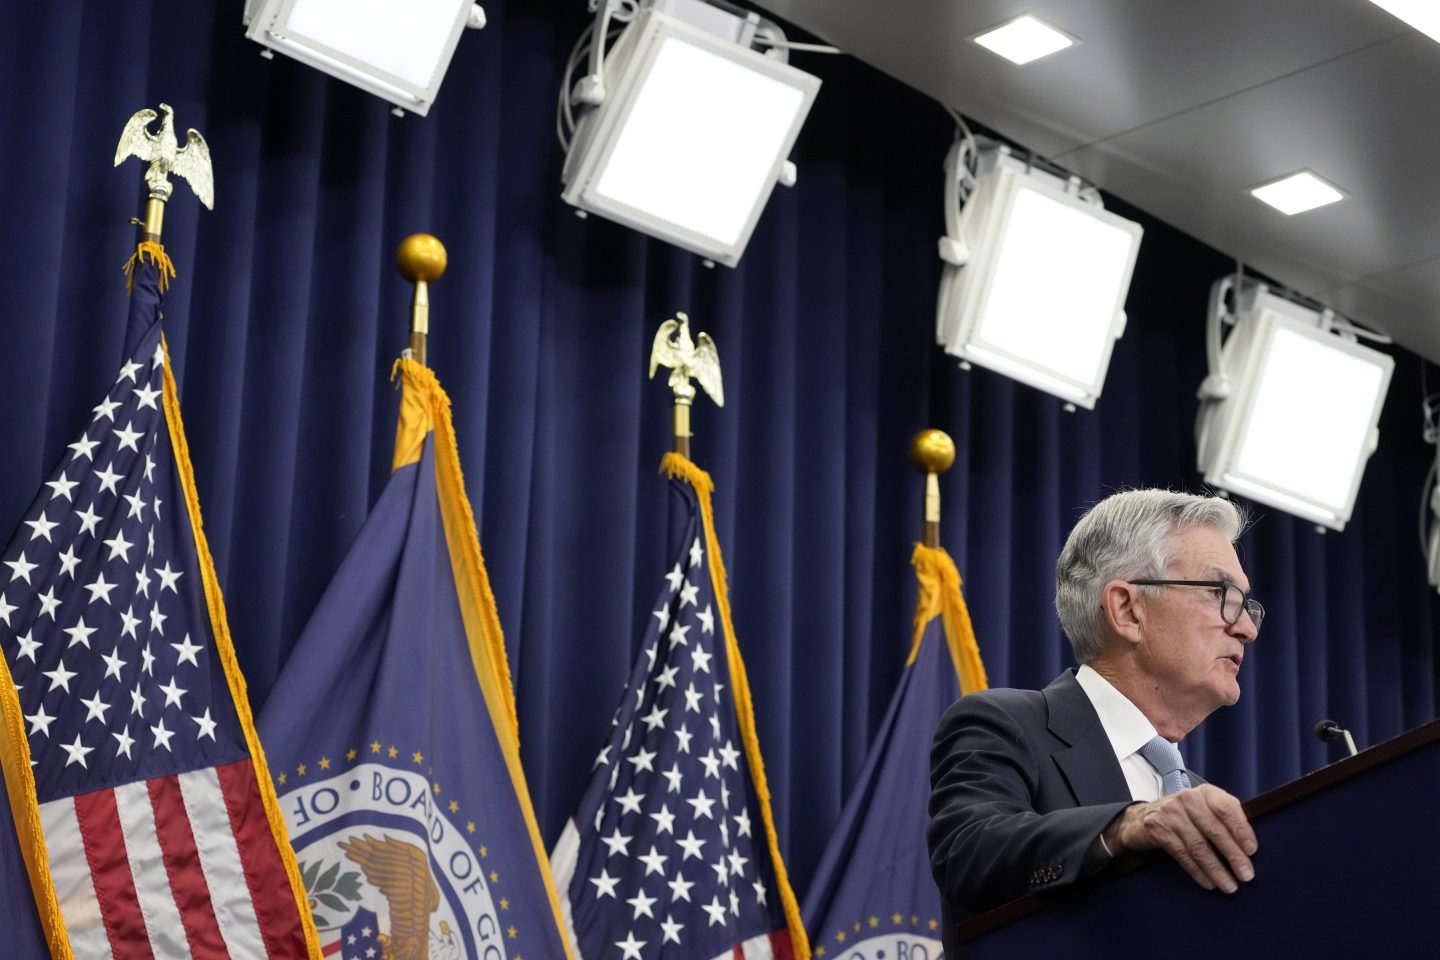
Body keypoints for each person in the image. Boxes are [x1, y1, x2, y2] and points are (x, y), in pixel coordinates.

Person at [926, 489, 1262, 952]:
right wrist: (1123, 827)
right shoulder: (1006, 725)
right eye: (1220, 593)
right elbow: (968, 855)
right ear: (1127, 610)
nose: (1247, 627)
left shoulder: (1197, 803)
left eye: (1247, 604)